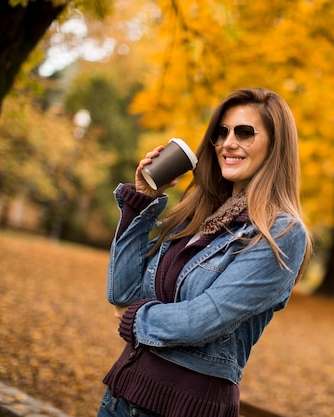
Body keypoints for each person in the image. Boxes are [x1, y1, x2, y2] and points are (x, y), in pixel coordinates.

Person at [98, 87, 312, 417]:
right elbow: (122, 292)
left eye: (245, 132)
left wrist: (135, 318)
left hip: (186, 408)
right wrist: (142, 201)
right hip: (121, 396)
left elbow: (204, 319)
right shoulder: (198, 213)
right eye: (220, 132)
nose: (228, 142)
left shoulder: (280, 233)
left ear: (275, 146)